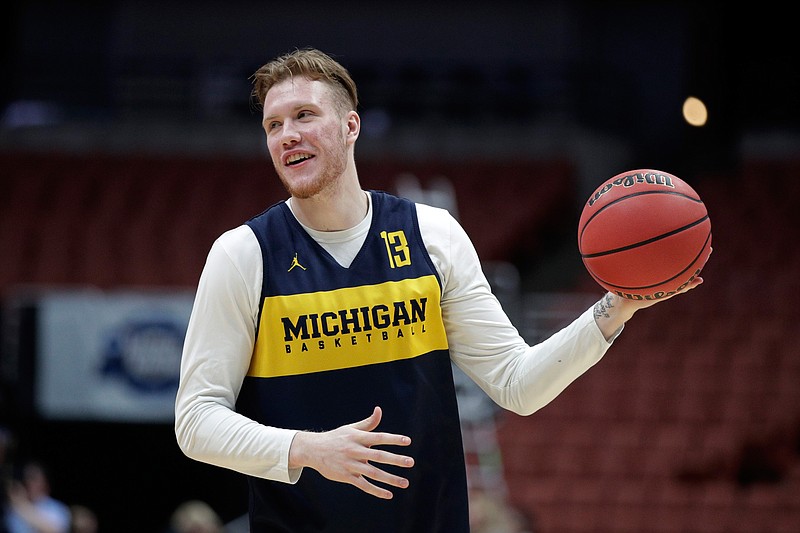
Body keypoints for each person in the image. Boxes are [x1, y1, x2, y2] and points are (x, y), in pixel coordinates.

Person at [174, 47, 704, 532]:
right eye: (273, 124)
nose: (287, 133)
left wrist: (617, 308)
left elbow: (517, 384)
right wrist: (307, 449)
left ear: (351, 125)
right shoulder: (243, 255)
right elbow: (195, 421)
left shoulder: (432, 234)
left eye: (304, 116)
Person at [4, 460, 70, 533]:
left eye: (33, 478)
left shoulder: (57, 508)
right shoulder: (12, 508)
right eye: (25, 478)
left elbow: (54, 530)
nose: (28, 483)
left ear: (44, 482)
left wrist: (21, 503)